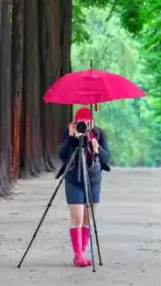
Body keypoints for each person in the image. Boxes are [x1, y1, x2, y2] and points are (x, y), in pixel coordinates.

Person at [58, 106, 110, 267]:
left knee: (88, 218)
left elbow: (106, 159)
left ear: (92, 123)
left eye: (87, 123)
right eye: (81, 123)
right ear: (75, 122)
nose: (84, 126)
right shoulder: (70, 132)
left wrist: (97, 148)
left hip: (93, 179)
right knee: (78, 217)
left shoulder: (99, 134)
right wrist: (71, 138)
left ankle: (82, 251)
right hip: (74, 178)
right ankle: (78, 254)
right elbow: (62, 155)